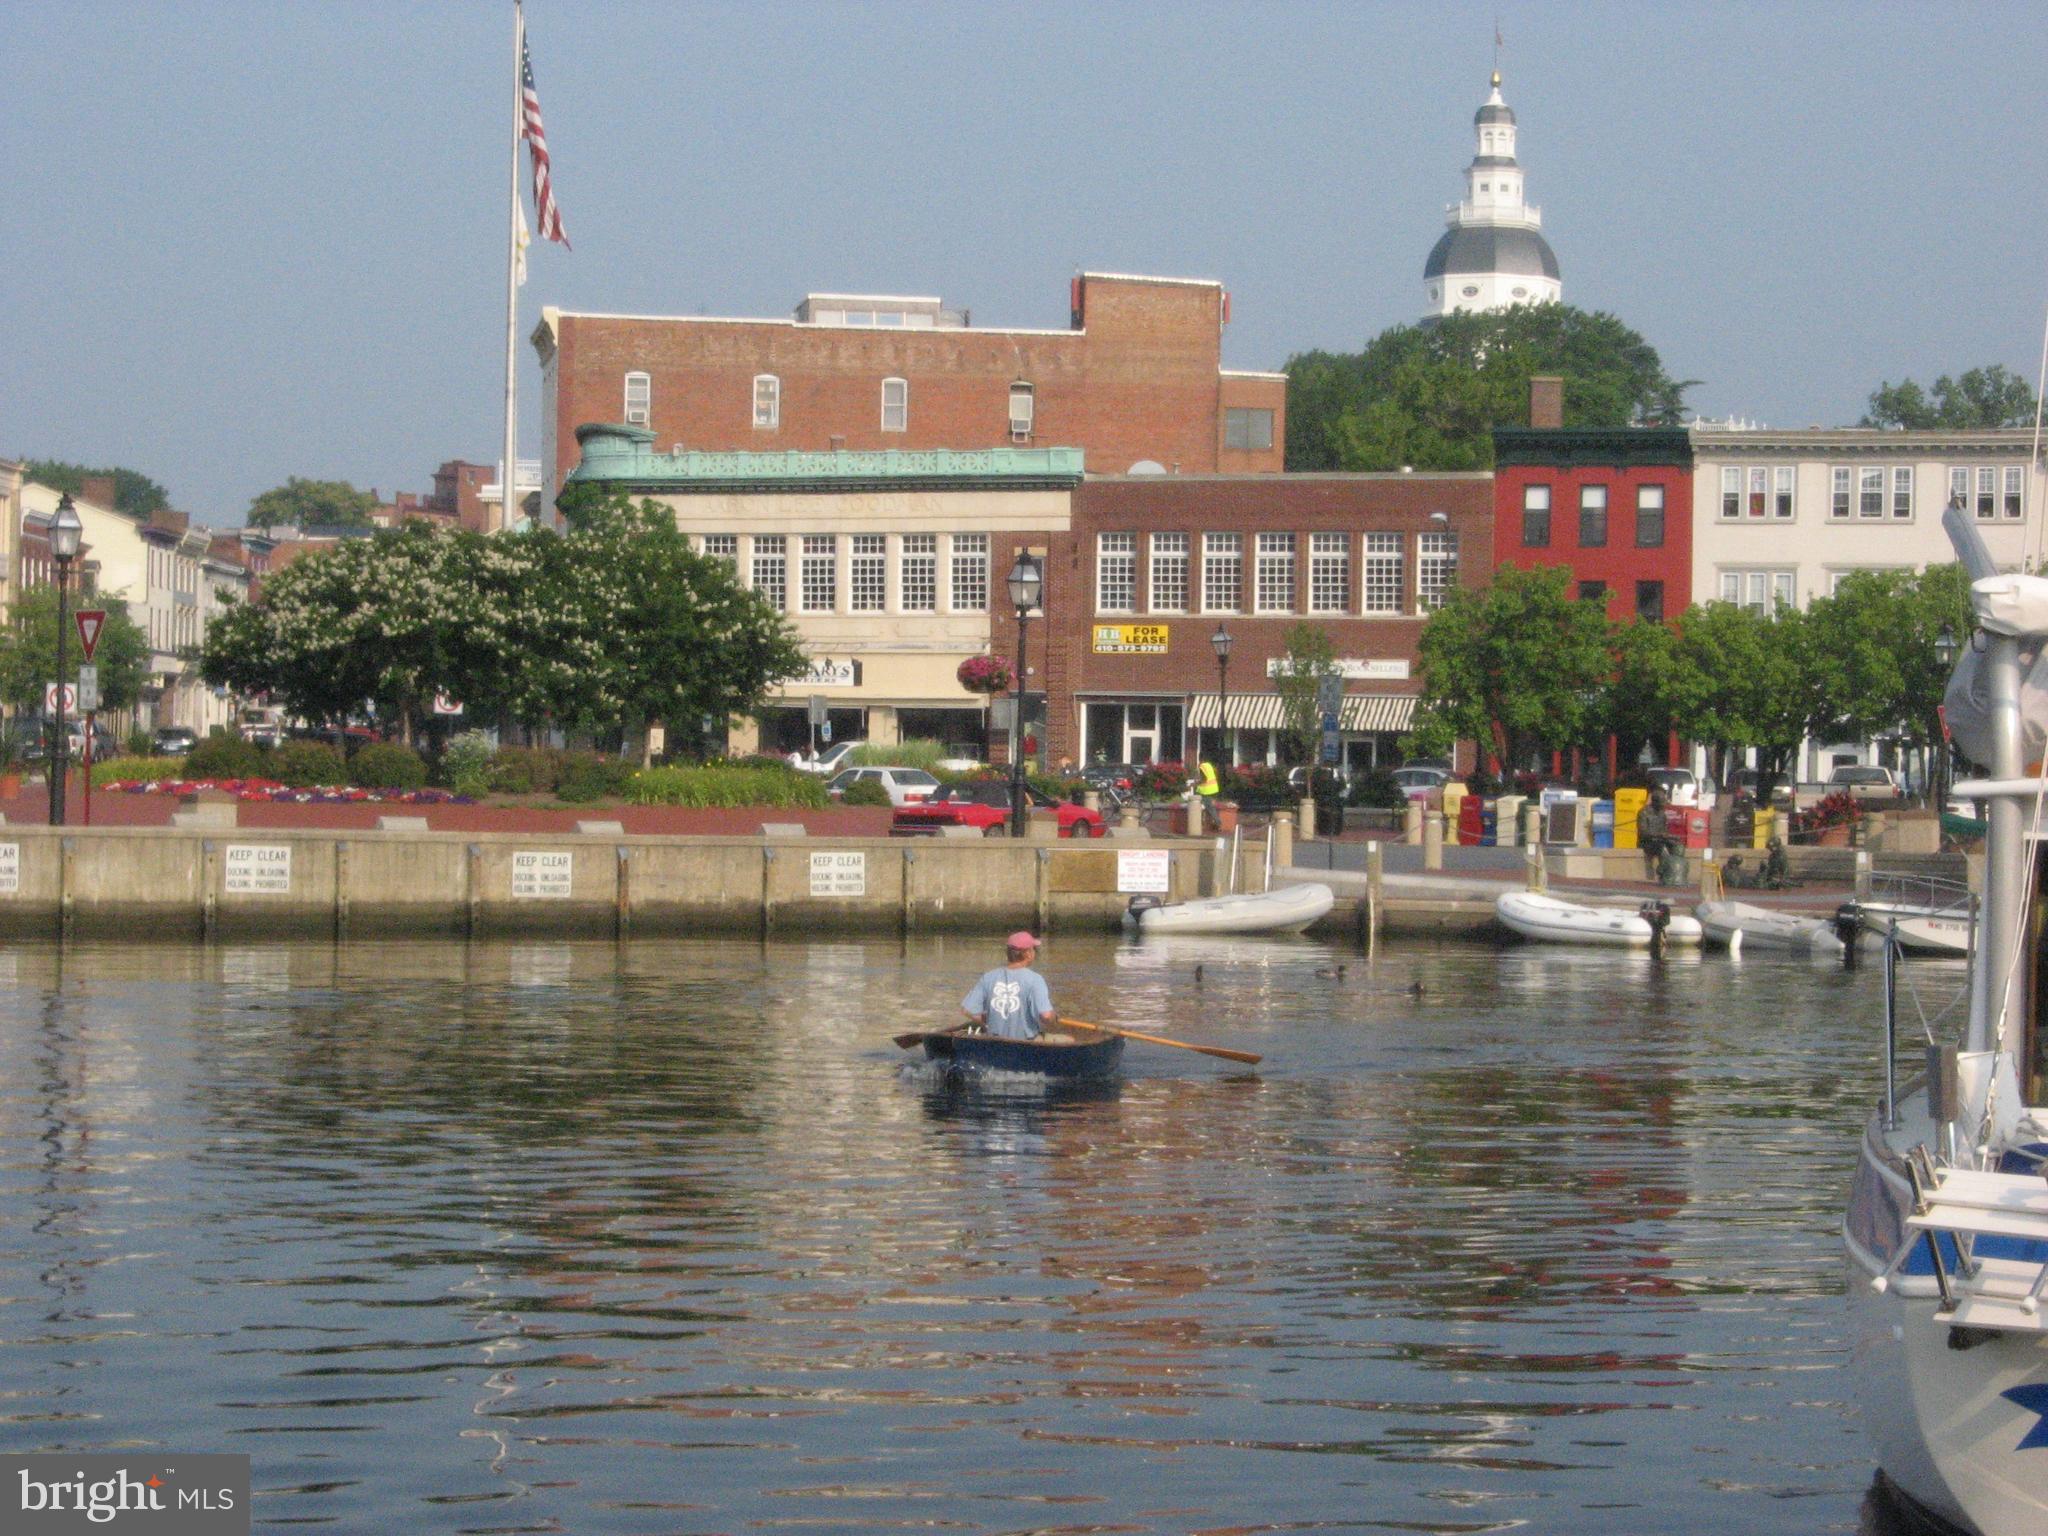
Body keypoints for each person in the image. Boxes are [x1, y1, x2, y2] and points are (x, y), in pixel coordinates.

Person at [961, 931, 1057, 1041]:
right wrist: (1054, 1017)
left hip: (994, 1041)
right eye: (1034, 949)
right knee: (1068, 1040)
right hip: (1026, 1042)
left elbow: (967, 1010)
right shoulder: (1035, 980)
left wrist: (988, 1019)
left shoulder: (988, 977)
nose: (1035, 953)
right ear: (1028, 953)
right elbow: (1046, 1016)